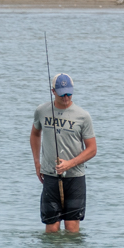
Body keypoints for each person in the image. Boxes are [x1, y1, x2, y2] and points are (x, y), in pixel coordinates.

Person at [29, 73, 97, 233]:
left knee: (71, 227)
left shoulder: (83, 116)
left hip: (75, 177)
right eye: (62, 94)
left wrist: (69, 164)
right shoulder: (42, 111)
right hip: (50, 176)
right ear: (53, 91)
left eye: (69, 93)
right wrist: (37, 163)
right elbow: (35, 134)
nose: (66, 97)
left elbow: (92, 149)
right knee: (52, 227)